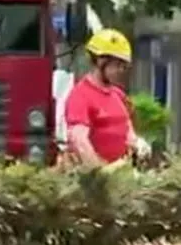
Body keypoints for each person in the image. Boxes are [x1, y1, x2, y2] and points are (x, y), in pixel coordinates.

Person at [63, 29, 151, 169]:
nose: (121, 71)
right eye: (117, 65)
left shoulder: (118, 95)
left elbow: (126, 127)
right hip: (94, 176)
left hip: (121, 172)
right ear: (100, 61)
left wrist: (137, 143)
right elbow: (79, 140)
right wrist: (99, 171)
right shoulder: (80, 96)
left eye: (124, 67)